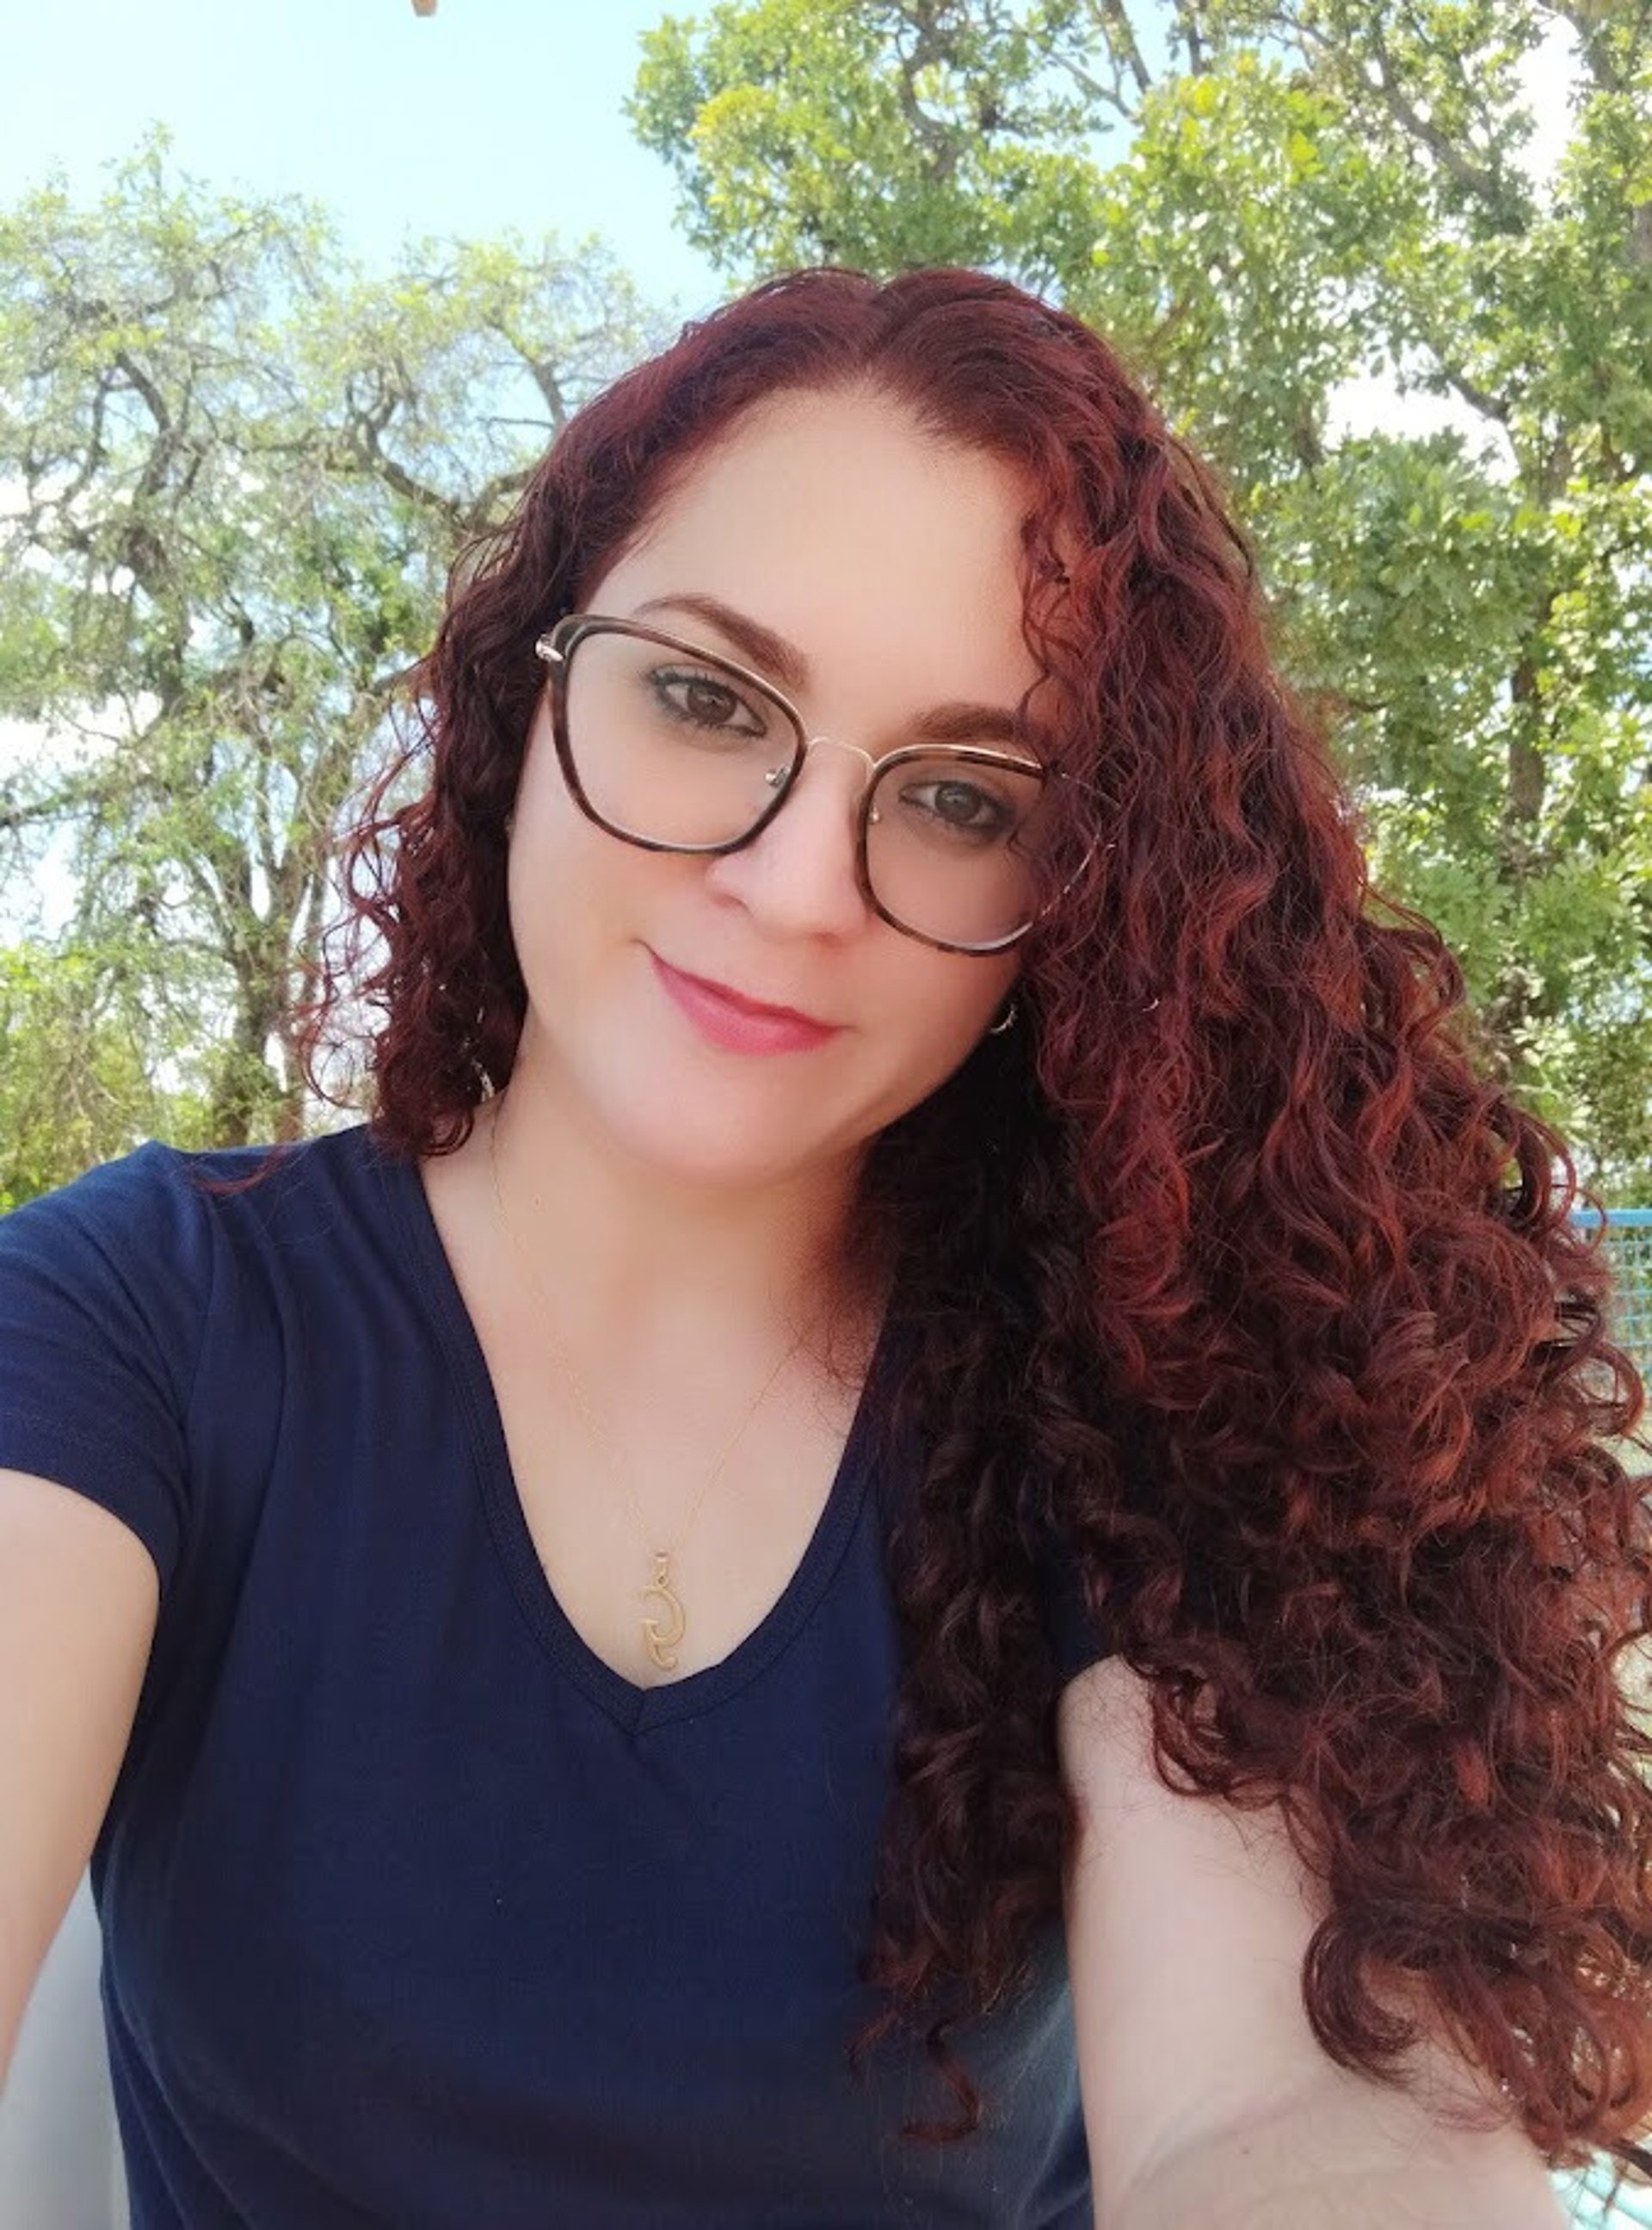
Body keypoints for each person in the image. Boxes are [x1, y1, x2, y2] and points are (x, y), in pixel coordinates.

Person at [0, 264, 1645, 2230]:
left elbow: (1295, 2115)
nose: (794, 890)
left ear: (1079, 910)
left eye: (960, 797)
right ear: (531, 695)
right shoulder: (144, 1322)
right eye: (705, 698)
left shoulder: (1140, 1403)